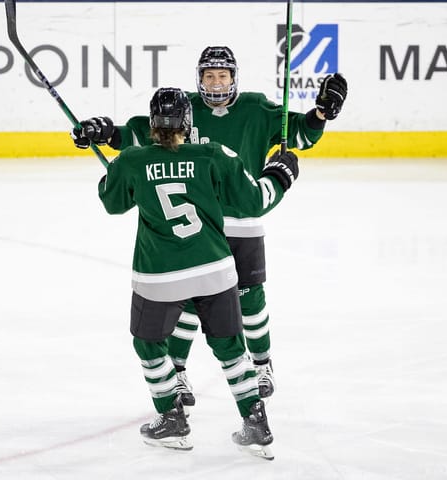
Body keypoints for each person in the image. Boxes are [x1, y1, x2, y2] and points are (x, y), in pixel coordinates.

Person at [73, 46, 347, 407]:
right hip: (202, 228)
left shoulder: (257, 109)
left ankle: (262, 364)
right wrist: (105, 132)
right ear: (198, 78)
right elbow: (141, 134)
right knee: (187, 300)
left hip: (243, 222)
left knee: (250, 297)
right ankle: (179, 371)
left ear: (235, 77)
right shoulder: (185, 109)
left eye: (223, 75)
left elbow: (300, 134)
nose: (216, 82)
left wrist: (320, 113)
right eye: (209, 75)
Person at [92, 87, 300, 458]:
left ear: (153, 123)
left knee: (149, 345)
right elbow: (254, 201)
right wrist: (280, 177)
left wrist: (112, 172)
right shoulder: (213, 155)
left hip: (159, 276)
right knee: (232, 350)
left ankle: (171, 418)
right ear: (189, 122)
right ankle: (256, 422)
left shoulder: (132, 159)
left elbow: (112, 202)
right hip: (215, 269)